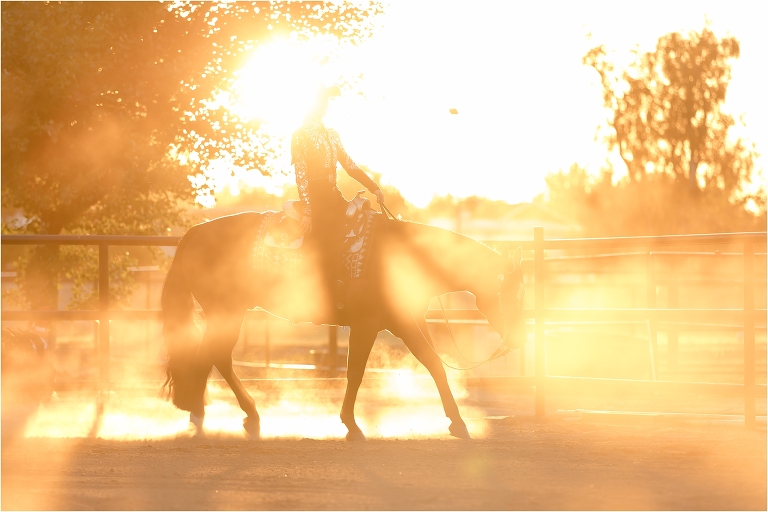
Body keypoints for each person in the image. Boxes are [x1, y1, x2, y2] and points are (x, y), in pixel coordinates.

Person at [291, 85, 385, 311]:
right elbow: (301, 175)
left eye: (326, 102)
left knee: (363, 225)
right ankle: (325, 294)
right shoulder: (300, 135)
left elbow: (350, 166)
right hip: (316, 200)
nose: (324, 106)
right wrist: (308, 211)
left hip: (334, 196)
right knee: (329, 241)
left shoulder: (332, 135)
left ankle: (354, 285)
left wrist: (373, 187)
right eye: (320, 102)